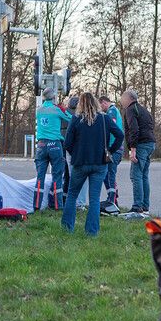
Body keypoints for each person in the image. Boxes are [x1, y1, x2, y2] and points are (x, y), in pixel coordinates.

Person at [61, 92, 123, 236]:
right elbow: (120, 135)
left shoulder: (76, 119)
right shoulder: (104, 118)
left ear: (80, 104)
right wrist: (110, 151)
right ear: (96, 103)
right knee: (94, 198)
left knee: (72, 195)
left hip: (80, 162)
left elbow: (67, 143)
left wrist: (75, 153)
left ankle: (67, 228)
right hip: (100, 163)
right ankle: (92, 232)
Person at [33, 87, 71, 211]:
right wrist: (64, 108)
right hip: (55, 144)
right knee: (57, 176)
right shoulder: (56, 110)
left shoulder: (38, 110)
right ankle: (58, 206)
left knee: (40, 177)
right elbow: (70, 118)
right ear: (54, 97)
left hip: (41, 145)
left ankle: (36, 205)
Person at [120, 90, 156, 214]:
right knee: (144, 175)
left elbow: (134, 129)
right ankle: (145, 206)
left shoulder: (130, 110)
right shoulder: (143, 109)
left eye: (122, 98)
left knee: (136, 176)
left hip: (141, 145)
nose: (121, 101)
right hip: (150, 143)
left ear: (129, 98)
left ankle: (137, 207)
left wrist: (133, 149)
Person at [98, 95, 125, 205]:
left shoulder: (111, 112)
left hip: (114, 148)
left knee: (110, 174)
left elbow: (109, 127)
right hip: (114, 148)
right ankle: (113, 198)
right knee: (107, 174)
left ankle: (112, 200)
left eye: (100, 106)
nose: (100, 109)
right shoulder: (114, 110)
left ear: (104, 103)